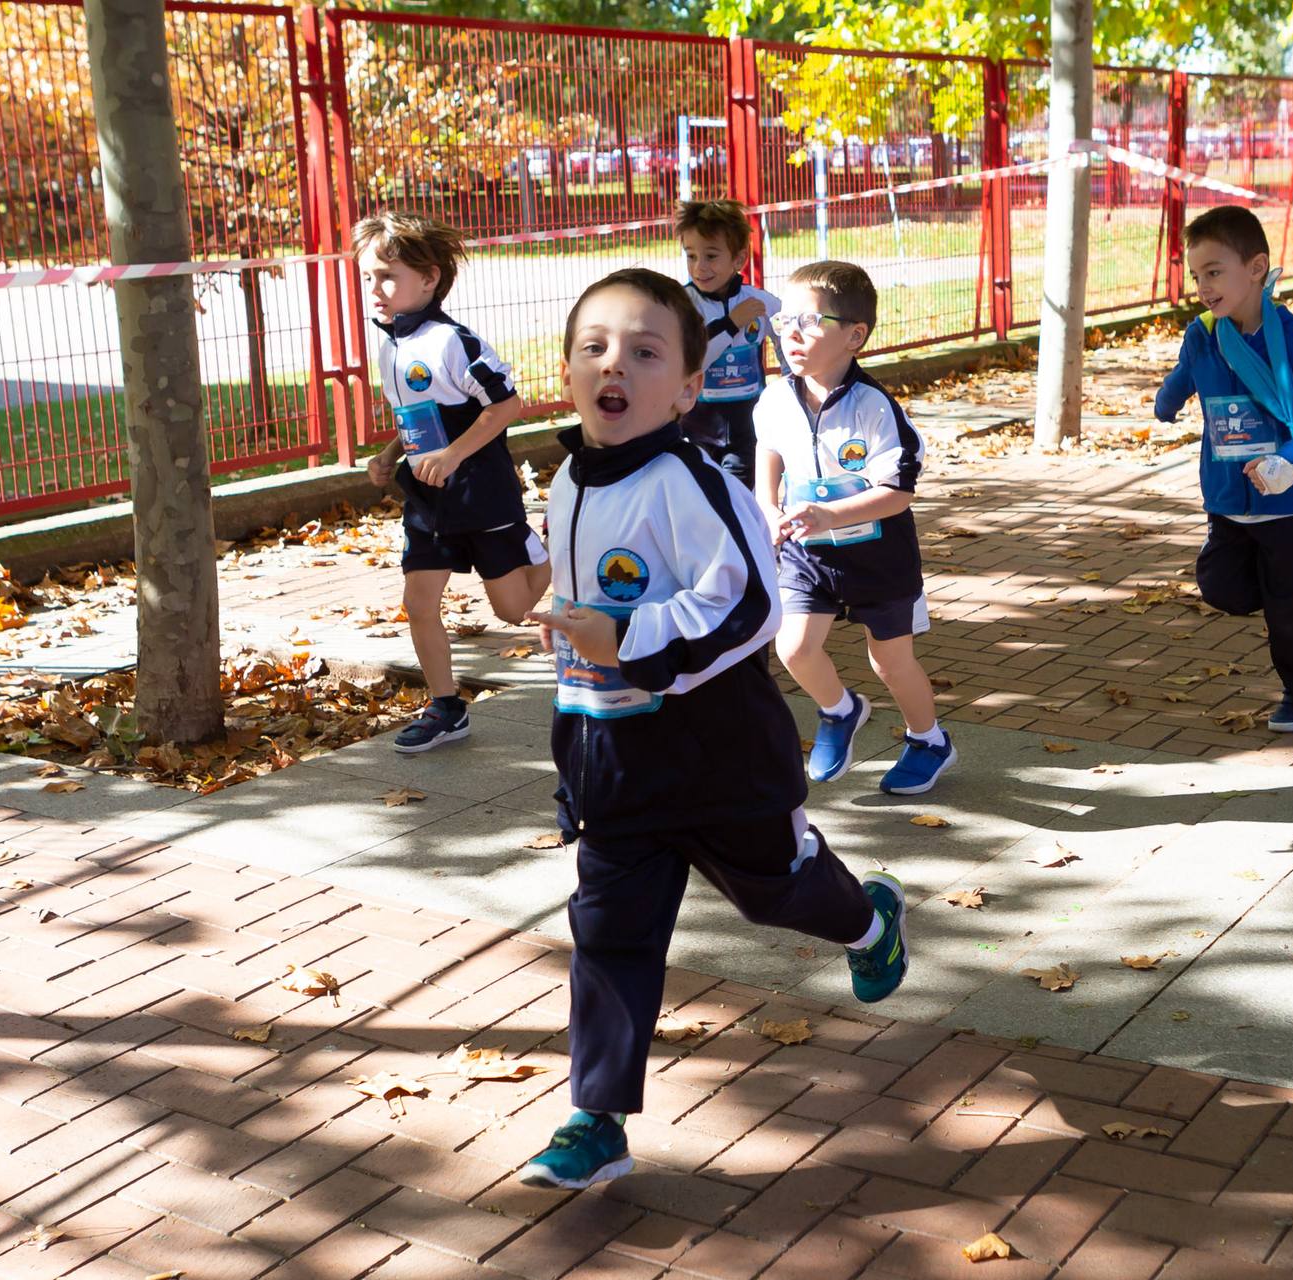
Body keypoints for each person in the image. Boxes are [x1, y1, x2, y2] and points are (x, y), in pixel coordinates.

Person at [517, 268, 911, 1191]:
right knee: (610, 931)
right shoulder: (570, 476)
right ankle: (596, 1117)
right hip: (616, 762)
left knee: (775, 895)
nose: (615, 364)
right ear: (569, 373)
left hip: (721, 762)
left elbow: (747, 610)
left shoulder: (696, 484)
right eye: (595, 347)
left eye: (646, 352)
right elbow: (582, 609)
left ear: (690, 389)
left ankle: (870, 921)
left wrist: (631, 639)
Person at [352, 212, 548, 754]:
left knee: (511, 611)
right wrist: (389, 454)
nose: (375, 289)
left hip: (480, 495)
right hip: (426, 500)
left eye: (388, 276)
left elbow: (507, 404)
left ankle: (546, 546)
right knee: (419, 600)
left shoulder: (451, 342)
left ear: (430, 278)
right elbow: (416, 416)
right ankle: (447, 707)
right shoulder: (388, 344)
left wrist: (454, 453)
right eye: (368, 276)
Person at [756, 261, 954, 795]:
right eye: (784, 319)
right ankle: (839, 711)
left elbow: (899, 492)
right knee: (793, 648)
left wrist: (830, 515)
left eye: (809, 321)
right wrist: (768, 508)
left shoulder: (876, 407)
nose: (790, 332)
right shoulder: (775, 398)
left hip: (880, 560)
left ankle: (928, 740)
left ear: (854, 336)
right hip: (806, 556)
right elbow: (768, 453)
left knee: (890, 661)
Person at [1151, 205, 1293, 732]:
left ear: (1256, 268)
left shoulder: (1288, 337)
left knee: (1291, 618)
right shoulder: (1202, 333)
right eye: (1196, 275)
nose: (1203, 286)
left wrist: (1292, 461)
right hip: (1227, 500)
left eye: (1214, 272)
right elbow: (1187, 371)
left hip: (1286, 502)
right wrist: (1167, 402)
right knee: (1220, 587)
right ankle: (1284, 594)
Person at [676, 200, 782, 489]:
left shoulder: (759, 302)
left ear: (739, 259)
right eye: (691, 256)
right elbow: (691, 361)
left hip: (747, 428)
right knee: (700, 498)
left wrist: (793, 383)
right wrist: (730, 323)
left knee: (739, 498)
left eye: (711, 256)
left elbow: (788, 335)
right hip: (695, 428)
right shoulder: (682, 304)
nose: (700, 267)